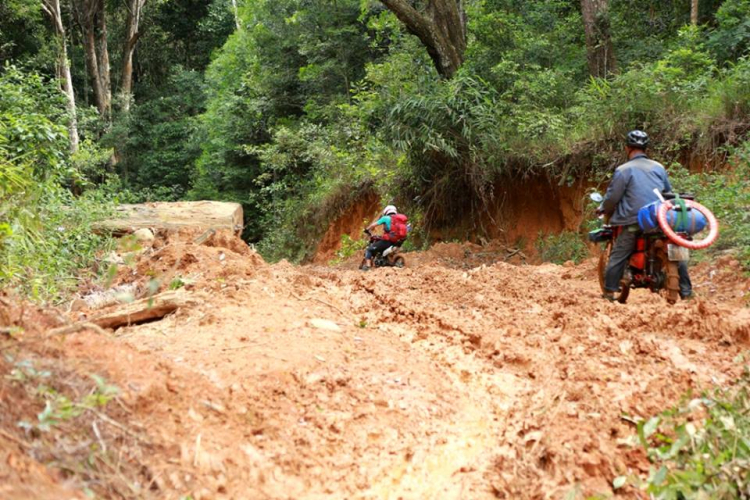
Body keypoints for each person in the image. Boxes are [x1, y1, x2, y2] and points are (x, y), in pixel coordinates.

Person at [601, 130, 693, 301]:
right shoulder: (658, 167)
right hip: (660, 218)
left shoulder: (623, 170)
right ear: (646, 148)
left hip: (633, 220)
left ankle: (609, 292)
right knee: (677, 252)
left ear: (627, 148)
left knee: (618, 254)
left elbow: (612, 198)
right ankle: (687, 293)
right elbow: (667, 192)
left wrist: (603, 208)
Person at [361, 205, 407, 271]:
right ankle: (387, 260)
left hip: (388, 241)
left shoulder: (386, 218)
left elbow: (374, 225)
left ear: (386, 211)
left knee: (369, 250)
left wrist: (367, 229)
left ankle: (368, 267)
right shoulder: (400, 220)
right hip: (399, 241)